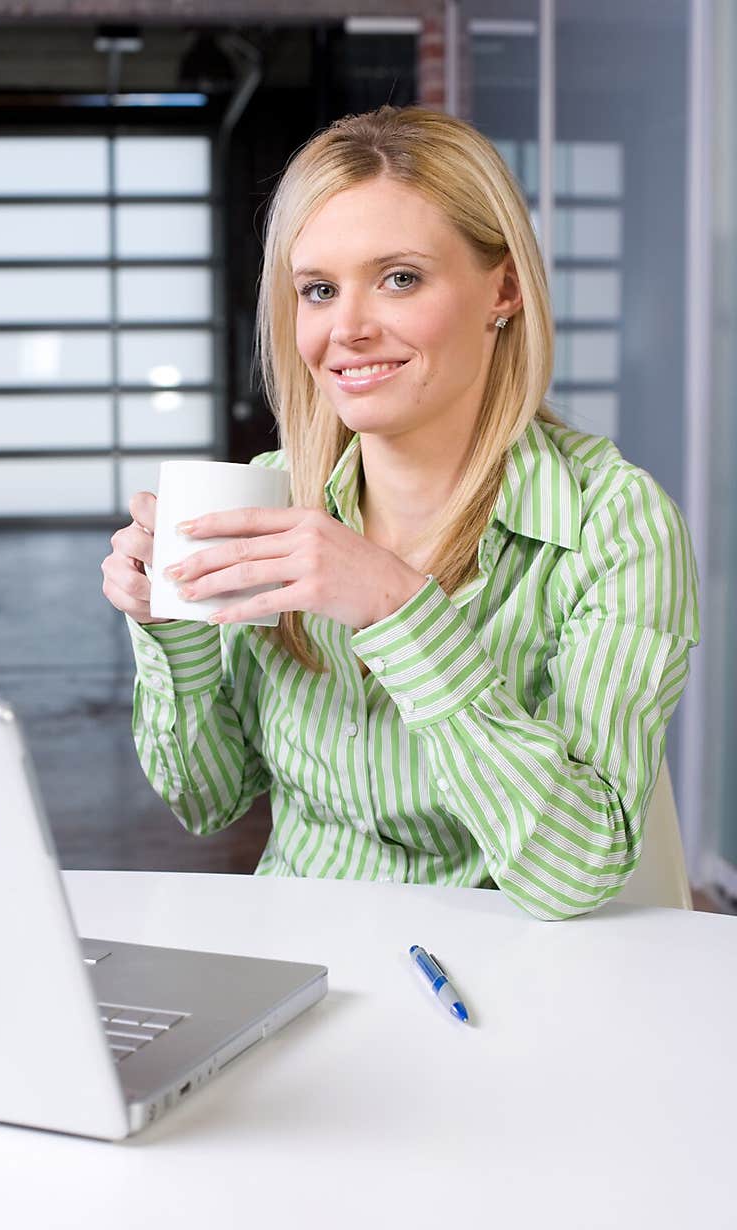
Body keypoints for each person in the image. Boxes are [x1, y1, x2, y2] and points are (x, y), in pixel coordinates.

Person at [101, 104, 700, 921]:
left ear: (505, 289)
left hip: (514, 974)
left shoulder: (616, 523)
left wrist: (395, 607)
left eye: (400, 278)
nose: (345, 329)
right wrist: (170, 623)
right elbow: (208, 800)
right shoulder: (273, 492)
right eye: (318, 289)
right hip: (304, 951)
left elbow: (576, 870)